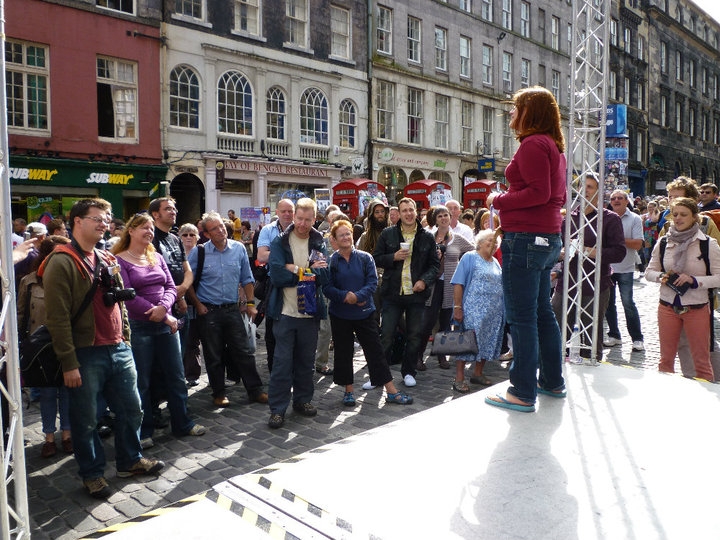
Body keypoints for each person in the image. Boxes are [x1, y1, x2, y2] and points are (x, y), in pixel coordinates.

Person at [41, 198, 164, 499]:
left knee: (132, 409)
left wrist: (125, 338)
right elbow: (56, 318)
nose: (103, 222)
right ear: (77, 222)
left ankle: (130, 460)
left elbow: (119, 305)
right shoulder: (62, 261)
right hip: (85, 353)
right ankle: (92, 473)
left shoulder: (107, 258)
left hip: (118, 348)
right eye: (95, 217)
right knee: (86, 421)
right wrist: (69, 363)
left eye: (106, 217)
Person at [484, 86, 567, 413]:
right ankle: (551, 381)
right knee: (541, 313)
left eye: (516, 108)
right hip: (546, 238)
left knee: (521, 318)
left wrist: (497, 200)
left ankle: (521, 391)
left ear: (530, 112)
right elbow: (547, 195)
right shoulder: (553, 147)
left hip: (527, 239)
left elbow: (538, 192)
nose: (511, 114)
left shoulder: (533, 144)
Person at [112, 214, 205, 448]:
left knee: (175, 376)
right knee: (142, 381)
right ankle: (144, 430)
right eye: (144, 227)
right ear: (130, 231)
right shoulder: (119, 260)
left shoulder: (157, 257)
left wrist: (163, 308)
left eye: (151, 228)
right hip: (139, 327)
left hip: (166, 324)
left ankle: (182, 422)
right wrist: (161, 313)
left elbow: (170, 286)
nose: (149, 231)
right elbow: (128, 296)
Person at [322, 220, 412, 406]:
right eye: (341, 235)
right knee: (343, 353)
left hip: (364, 313)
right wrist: (346, 296)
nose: (346, 237)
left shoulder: (365, 258)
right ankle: (348, 391)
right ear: (335, 240)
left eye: (348, 233)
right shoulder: (332, 262)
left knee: (376, 352)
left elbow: (372, 283)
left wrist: (358, 296)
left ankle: (391, 391)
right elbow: (327, 287)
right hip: (340, 314)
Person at [187, 212, 267, 408]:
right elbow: (188, 282)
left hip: (232, 310)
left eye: (222, 226)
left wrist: (249, 304)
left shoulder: (238, 248)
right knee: (213, 355)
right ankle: (218, 392)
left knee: (244, 351)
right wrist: (198, 305)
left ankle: (255, 390)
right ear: (206, 233)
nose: (221, 230)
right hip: (209, 311)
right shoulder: (200, 252)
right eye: (215, 228)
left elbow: (247, 278)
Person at [266, 198, 330, 429]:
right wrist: (308, 272)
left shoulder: (318, 241)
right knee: (282, 364)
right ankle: (277, 409)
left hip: (310, 313)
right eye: (299, 218)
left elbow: (324, 277)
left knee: (305, 362)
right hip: (284, 313)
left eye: (307, 219)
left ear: (315, 219)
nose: (302, 224)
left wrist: (295, 270)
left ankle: (303, 400)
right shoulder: (279, 242)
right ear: (293, 217)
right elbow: (277, 277)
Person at [552, 175, 626, 363]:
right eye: (582, 187)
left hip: (595, 284)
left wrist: (587, 251)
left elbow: (619, 253)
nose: (585, 190)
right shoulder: (569, 217)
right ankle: (558, 368)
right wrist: (560, 253)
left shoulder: (609, 219)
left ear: (599, 192)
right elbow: (560, 247)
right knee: (557, 328)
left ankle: (592, 366)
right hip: (566, 282)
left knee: (591, 335)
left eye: (590, 187)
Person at [645, 197, 720, 381]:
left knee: (701, 362)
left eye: (683, 214)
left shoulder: (707, 243)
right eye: (675, 214)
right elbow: (649, 271)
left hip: (696, 307)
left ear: (694, 217)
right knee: (665, 360)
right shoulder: (663, 241)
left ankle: (707, 401)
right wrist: (660, 277)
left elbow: (718, 277)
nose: (678, 218)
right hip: (667, 306)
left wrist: (694, 280)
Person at [373, 197, 440, 388]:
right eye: (404, 211)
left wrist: (424, 281)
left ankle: (409, 371)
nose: (409, 214)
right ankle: (380, 375)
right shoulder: (388, 234)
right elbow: (376, 258)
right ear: (399, 214)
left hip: (416, 294)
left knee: (414, 335)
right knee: (386, 335)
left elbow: (434, 266)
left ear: (416, 212)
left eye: (411, 210)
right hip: (393, 293)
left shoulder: (426, 236)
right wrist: (392, 257)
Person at [18, 235, 73, 458]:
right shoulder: (29, 281)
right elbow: (21, 314)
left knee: (68, 392)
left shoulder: (71, 277)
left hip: (67, 342)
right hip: (41, 347)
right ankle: (49, 437)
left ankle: (67, 434)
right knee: (48, 393)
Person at [417, 205, 473, 371]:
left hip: (450, 286)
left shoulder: (458, 239)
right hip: (432, 285)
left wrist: (463, 270)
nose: (443, 218)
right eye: (440, 216)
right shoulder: (428, 237)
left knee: (446, 323)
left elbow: (473, 252)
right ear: (435, 219)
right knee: (427, 322)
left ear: (450, 217)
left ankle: (442, 355)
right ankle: (418, 356)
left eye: (445, 215)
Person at [450, 229, 504, 392]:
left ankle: (477, 373)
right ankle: (459, 378)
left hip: (493, 313)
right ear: (479, 242)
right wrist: (458, 307)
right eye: (490, 240)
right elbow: (458, 283)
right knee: (466, 342)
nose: (493, 243)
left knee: (487, 342)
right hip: (473, 310)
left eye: (495, 242)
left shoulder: (495, 262)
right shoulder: (470, 257)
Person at [256, 199, 295, 372]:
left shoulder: (300, 229)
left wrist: (277, 258)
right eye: (283, 211)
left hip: (297, 282)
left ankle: (293, 367)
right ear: (277, 212)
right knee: (272, 327)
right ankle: (274, 368)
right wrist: (287, 259)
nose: (287, 214)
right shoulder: (268, 230)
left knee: (294, 326)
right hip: (274, 283)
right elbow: (262, 256)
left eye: (290, 211)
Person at [603, 190, 645, 351]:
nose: (616, 200)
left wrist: (617, 241)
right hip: (608, 267)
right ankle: (614, 335)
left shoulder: (634, 218)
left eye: (620, 198)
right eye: (613, 198)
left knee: (628, 303)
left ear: (627, 201)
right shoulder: (605, 217)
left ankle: (637, 338)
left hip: (626, 268)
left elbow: (638, 244)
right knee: (608, 304)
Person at [178, 223, 202, 386]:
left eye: (192, 234)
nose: (188, 237)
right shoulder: (176, 254)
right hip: (178, 302)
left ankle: (192, 374)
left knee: (193, 340)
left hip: (198, 301)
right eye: (185, 234)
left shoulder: (201, 253)